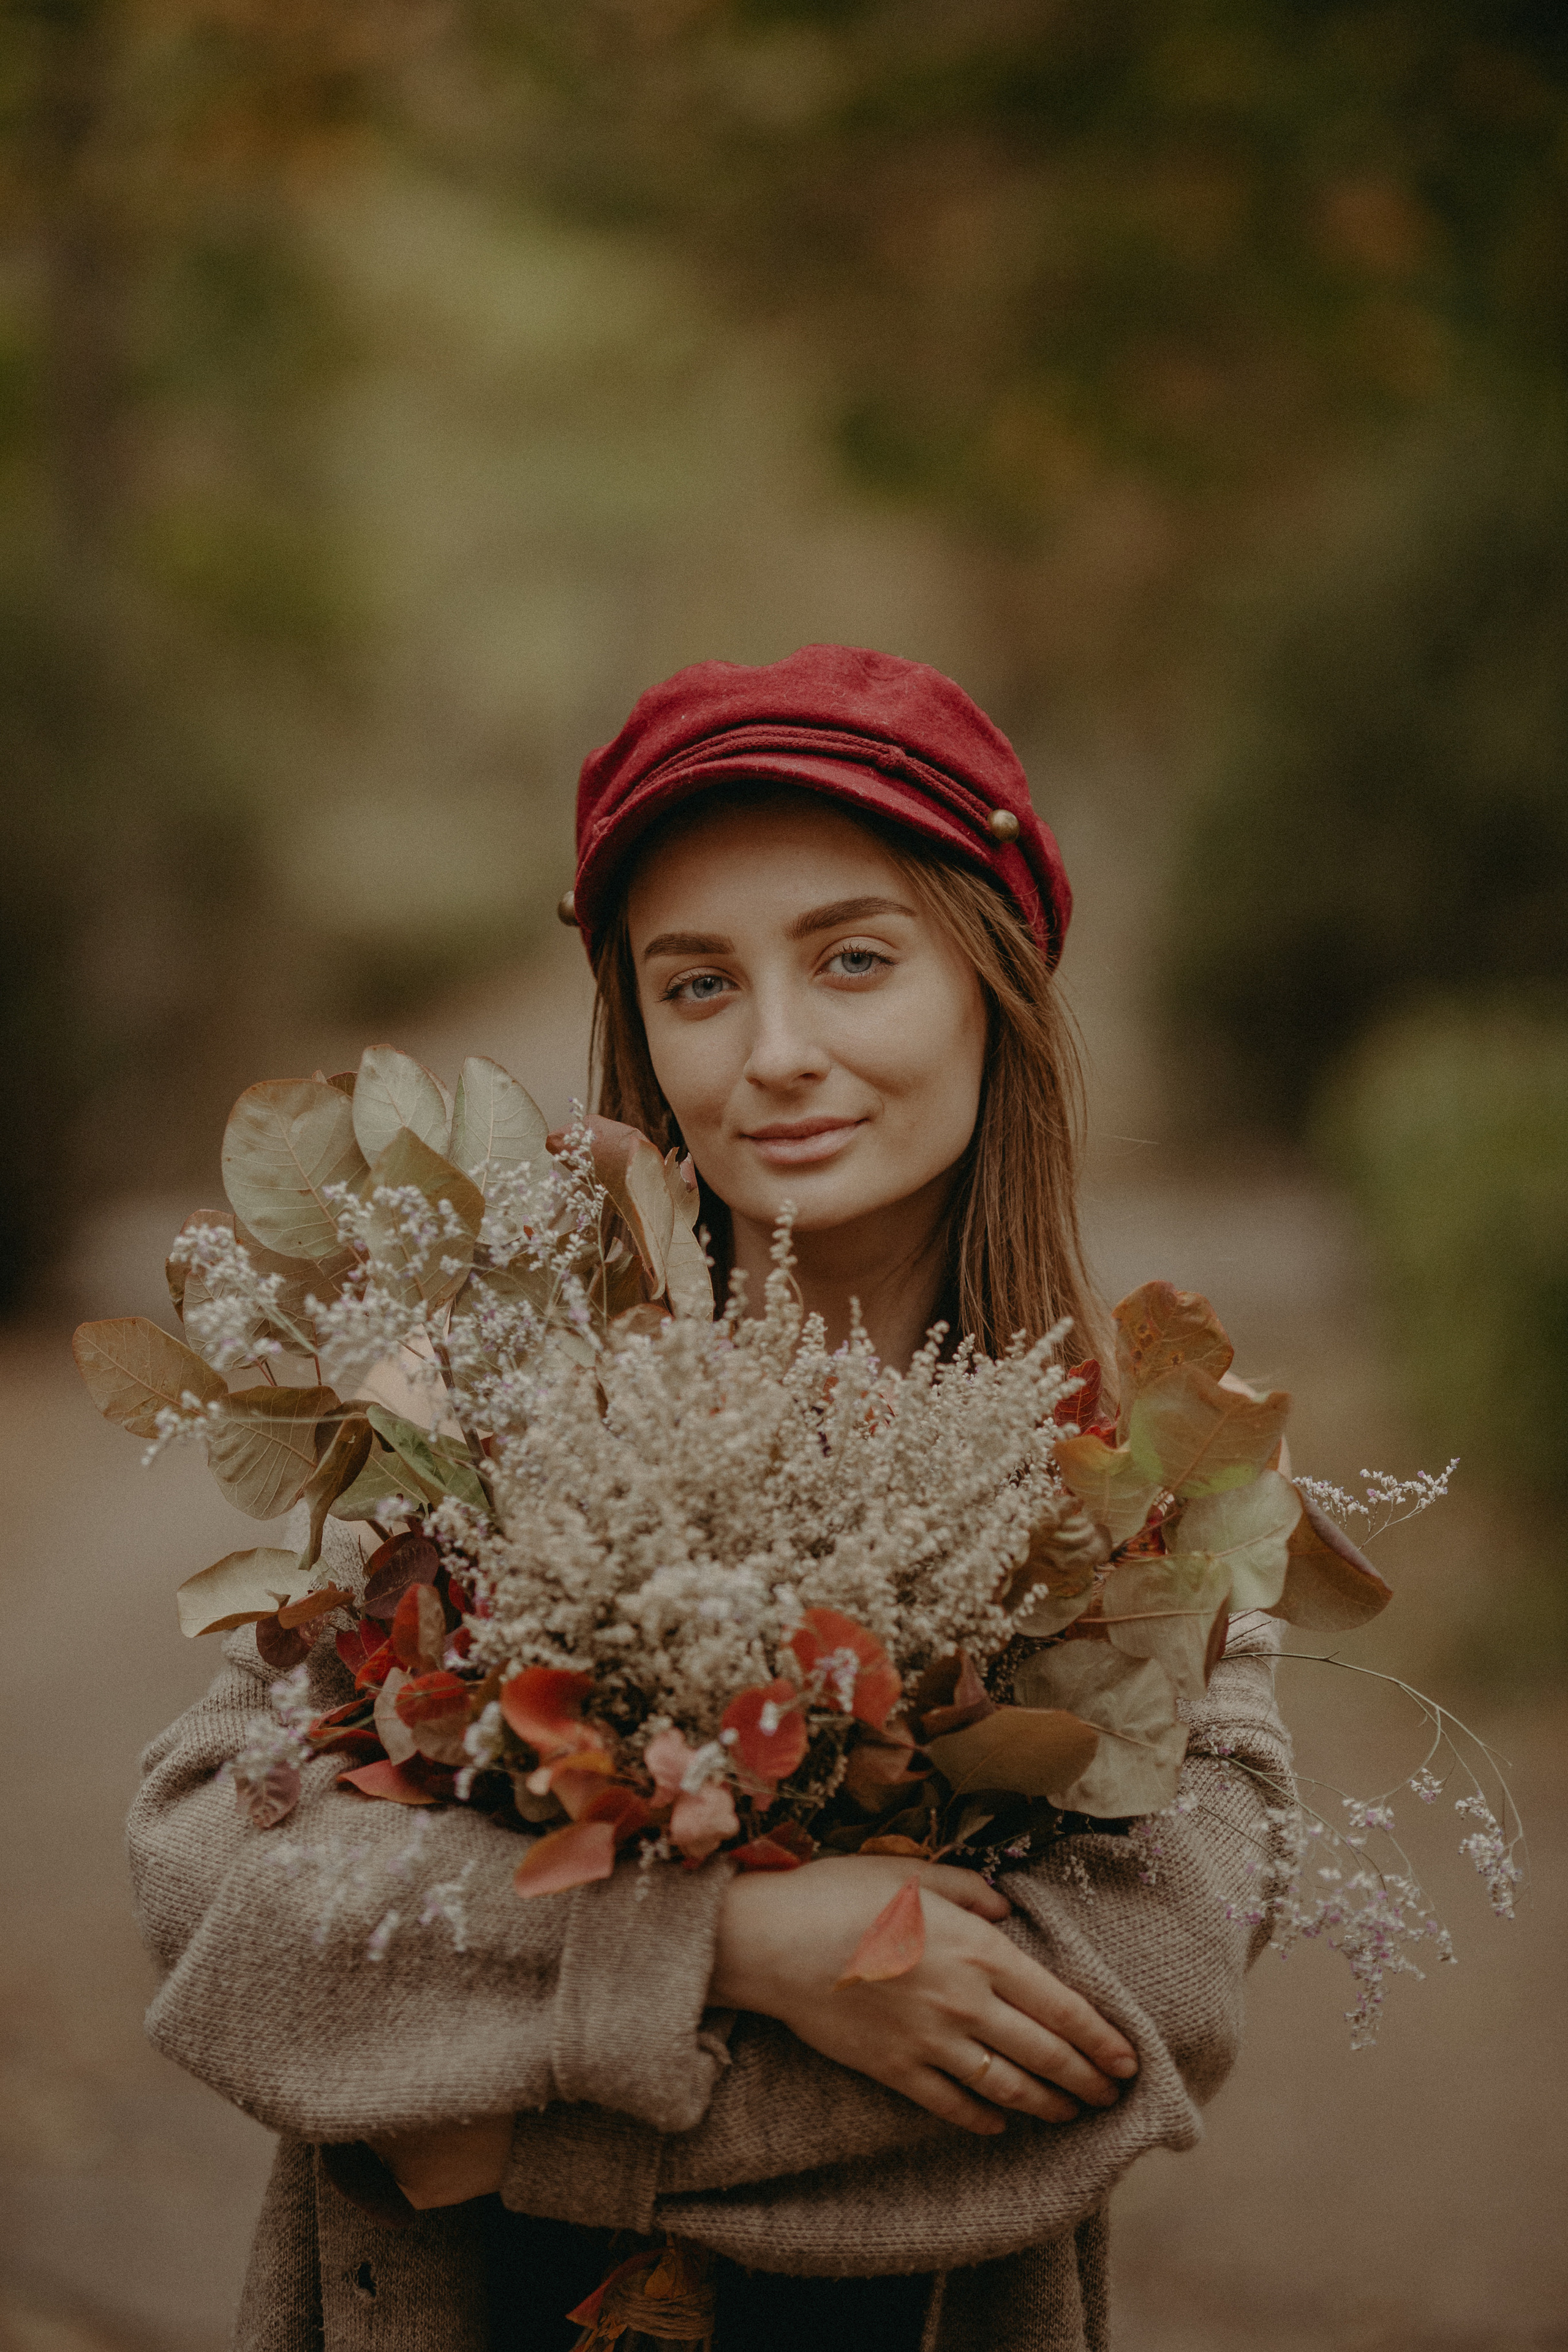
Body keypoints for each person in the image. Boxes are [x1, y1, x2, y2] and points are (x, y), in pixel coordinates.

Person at [129, 644, 1292, 2352]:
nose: (779, 1052)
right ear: (642, 1036)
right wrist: (728, 1945)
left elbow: (1129, 2019)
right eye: (698, 986)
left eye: (854, 960)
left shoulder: (1133, 1495)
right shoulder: (483, 1422)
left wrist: (489, 2127)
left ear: (996, 983)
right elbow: (222, 1896)